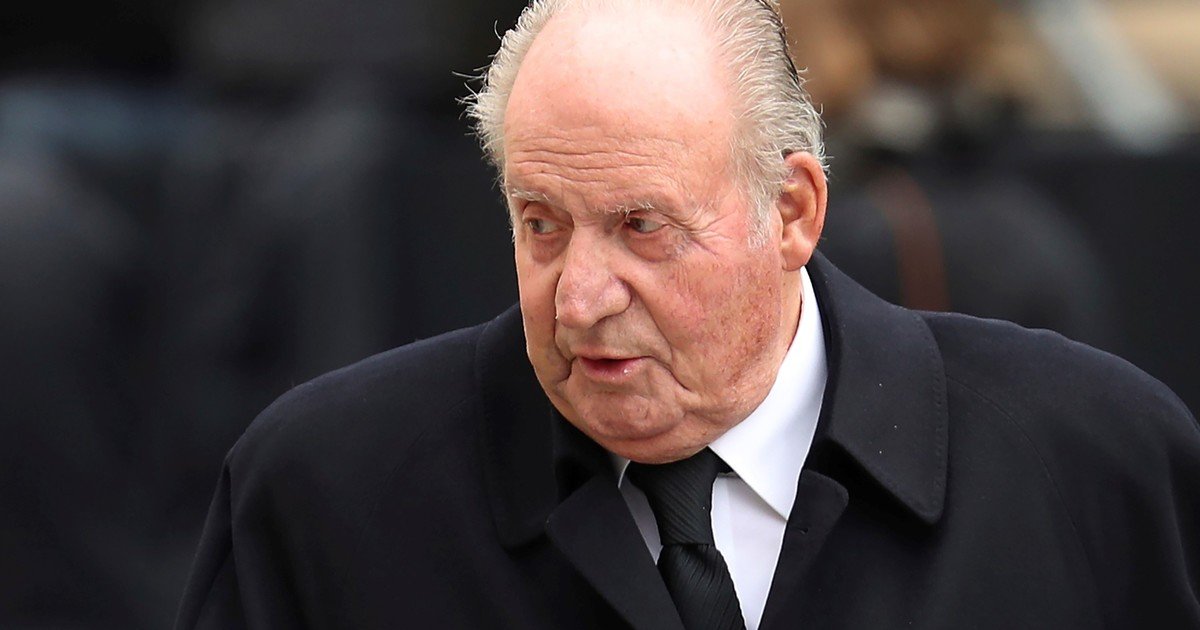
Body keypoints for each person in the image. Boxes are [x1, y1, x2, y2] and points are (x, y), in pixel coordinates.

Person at [175, 0, 1200, 628]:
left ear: (792, 212)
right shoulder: (324, 490)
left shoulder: (1090, 462)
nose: (580, 299)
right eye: (540, 225)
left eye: (642, 227)